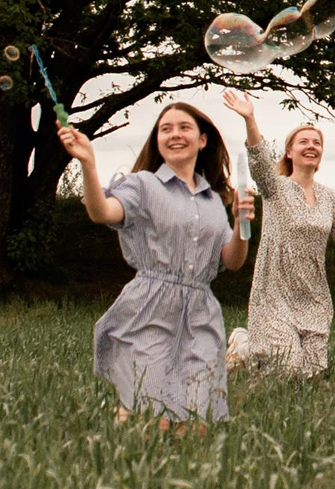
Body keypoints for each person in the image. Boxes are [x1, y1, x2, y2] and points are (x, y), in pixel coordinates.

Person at [65, 102, 256, 425]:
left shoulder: (214, 201)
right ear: (157, 141)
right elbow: (102, 212)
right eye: (165, 129)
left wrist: (240, 224)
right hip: (151, 309)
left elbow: (232, 261)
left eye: (184, 128)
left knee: (196, 422)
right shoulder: (143, 186)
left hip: (200, 315)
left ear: (202, 140)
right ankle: (117, 459)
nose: (174, 134)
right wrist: (88, 164)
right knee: (152, 416)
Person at [221, 90, 335, 378]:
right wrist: (250, 118)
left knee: (310, 376)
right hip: (274, 293)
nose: (311, 146)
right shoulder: (275, 188)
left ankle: (249, 349)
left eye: (317, 142)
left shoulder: (330, 198)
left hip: (314, 298)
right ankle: (248, 346)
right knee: (286, 372)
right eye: (303, 141)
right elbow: (260, 161)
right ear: (290, 151)